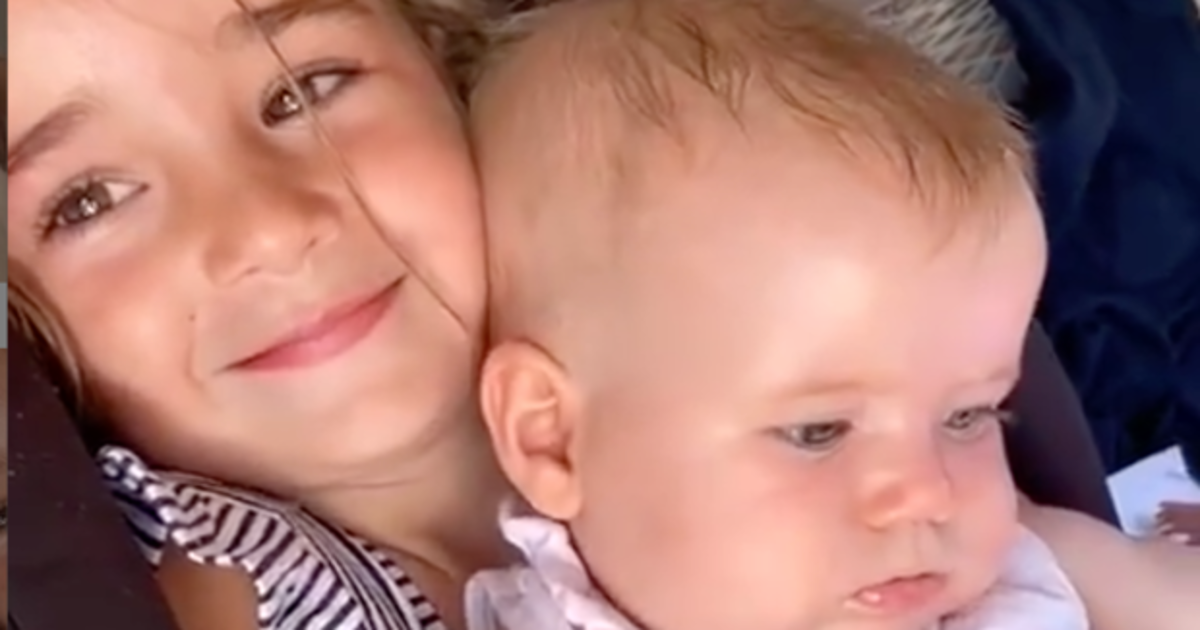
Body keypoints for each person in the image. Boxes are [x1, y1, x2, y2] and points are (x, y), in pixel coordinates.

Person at [463, 0, 1200, 629]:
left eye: (968, 416)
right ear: (551, 438)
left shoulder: (1027, 562)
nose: (927, 494)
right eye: (818, 431)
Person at [6, 1, 514, 628]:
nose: (268, 233)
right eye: (91, 202)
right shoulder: (211, 593)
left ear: (439, 48)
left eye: (303, 90)